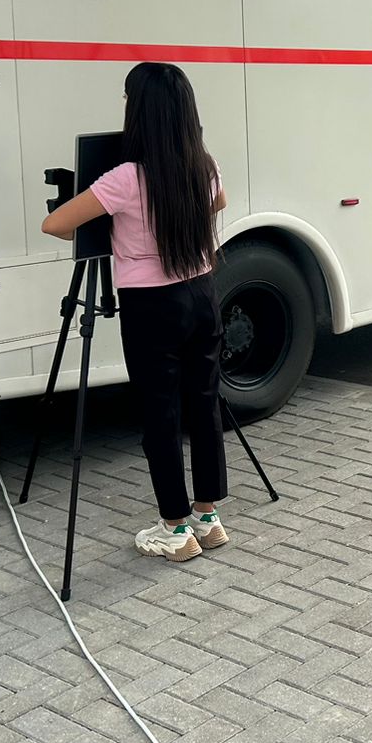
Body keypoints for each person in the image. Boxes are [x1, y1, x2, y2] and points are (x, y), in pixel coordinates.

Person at [42, 62, 230, 563]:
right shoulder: (202, 164)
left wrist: (116, 225)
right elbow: (219, 202)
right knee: (204, 402)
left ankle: (174, 528)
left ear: (140, 112)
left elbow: (54, 225)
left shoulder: (126, 178)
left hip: (152, 305)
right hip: (202, 292)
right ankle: (208, 517)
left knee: (160, 414)